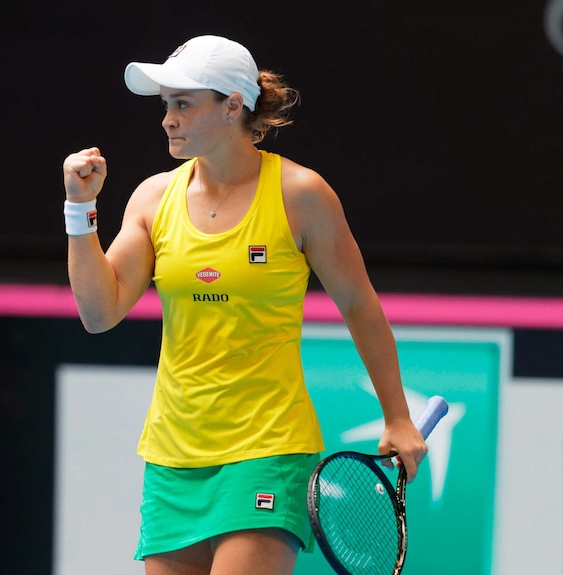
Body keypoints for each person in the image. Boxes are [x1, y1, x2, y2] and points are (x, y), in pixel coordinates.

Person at [62, 35, 429, 575]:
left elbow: (359, 306)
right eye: (166, 104)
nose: (167, 119)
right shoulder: (153, 198)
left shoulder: (301, 195)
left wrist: (397, 416)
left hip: (267, 449)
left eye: (183, 103)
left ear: (233, 106)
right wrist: (80, 209)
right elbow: (99, 313)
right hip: (172, 455)